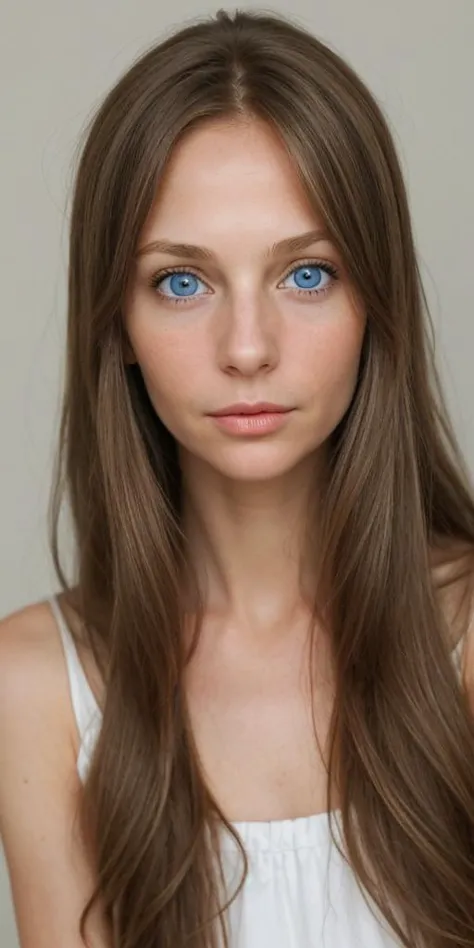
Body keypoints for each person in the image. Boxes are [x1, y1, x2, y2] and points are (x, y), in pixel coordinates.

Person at [1, 8, 474, 948]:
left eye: (307, 274)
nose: (247, 348)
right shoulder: (36, 689)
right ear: (117, 327)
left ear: (374, 300)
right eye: (183, 282)